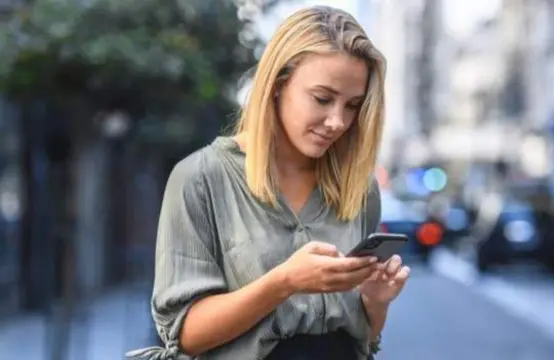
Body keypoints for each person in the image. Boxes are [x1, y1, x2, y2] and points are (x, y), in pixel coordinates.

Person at [127, 5, 410, 360]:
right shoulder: (201, 179)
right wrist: (285, 281)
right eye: (322, 99)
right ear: (277, 84)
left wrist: (375, 301)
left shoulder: (359, 189)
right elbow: (185, 335)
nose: (338, 121)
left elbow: (362, 340)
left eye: (353, 105)